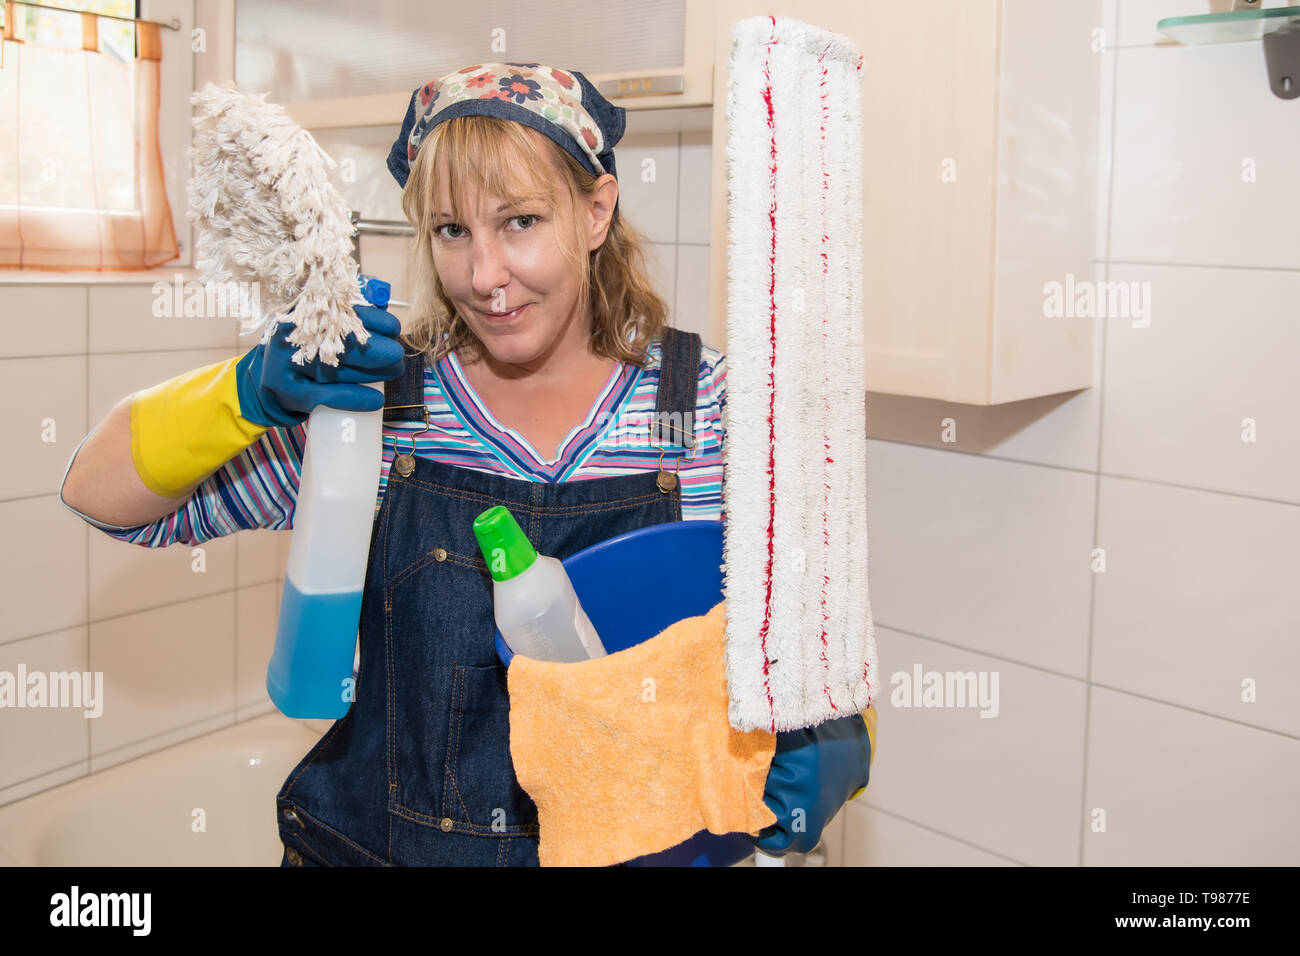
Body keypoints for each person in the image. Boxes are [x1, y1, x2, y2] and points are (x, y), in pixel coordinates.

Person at [58, 61, 873, 866]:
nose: (486, 278)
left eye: (520, 221)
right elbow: (98, 495)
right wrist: (246, 393)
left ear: (595, 211)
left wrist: (834, 731)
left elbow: (811, 641)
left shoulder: (708, 416)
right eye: (453, 231)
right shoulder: (381, 414)